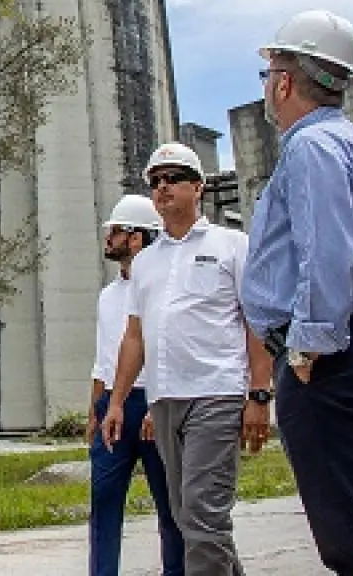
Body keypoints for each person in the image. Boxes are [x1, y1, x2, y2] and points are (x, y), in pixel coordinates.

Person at [241, 10, 353, 575]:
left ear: (285, 81)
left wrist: (309, 348)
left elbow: (330, 252)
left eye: (268, 75)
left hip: (331, 360)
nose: (267, 87)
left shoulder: (312, 149)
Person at [102, 142, 272, 576]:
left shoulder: (232, 246)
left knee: (203, 515)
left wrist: (259, 393)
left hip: (216, 393)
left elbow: (256, 323)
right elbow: (135, 338)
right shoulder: (146, 264)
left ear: (197, 187)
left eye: (172, 178)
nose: (162, 188)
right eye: (155, 181)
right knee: (189, 518)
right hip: (164, 401)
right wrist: (117, 401)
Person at [88, 195, 183, 576]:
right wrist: (95, 410)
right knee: (104, 501)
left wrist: (155, 403)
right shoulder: (107, 295)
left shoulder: (164, 288)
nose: (108, 238)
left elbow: (168, 348)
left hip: (154, 401)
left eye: (115, 231)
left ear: (137, 238)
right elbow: (103, 360)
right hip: (113, 404)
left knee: (169, 504)